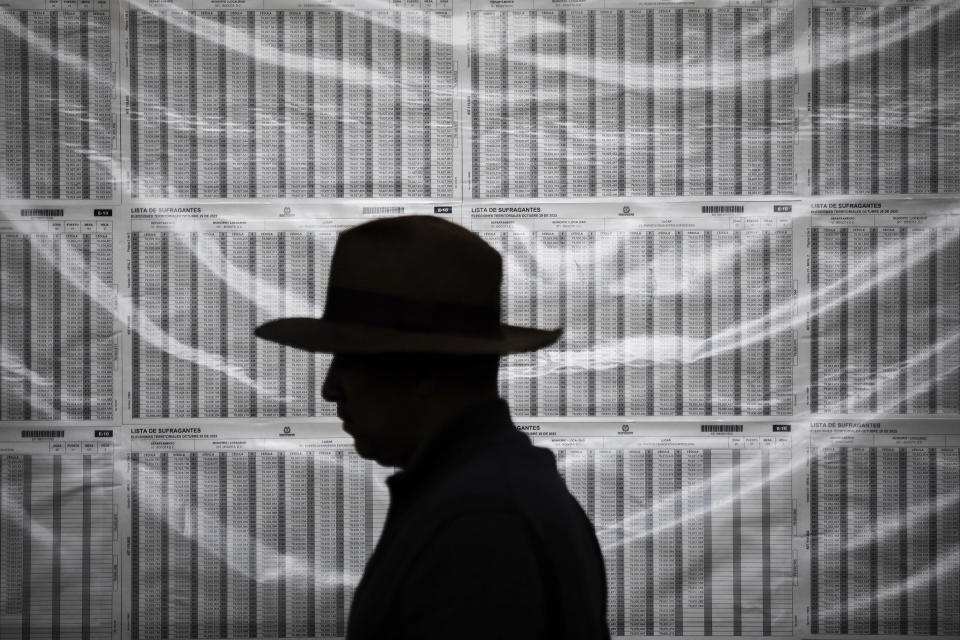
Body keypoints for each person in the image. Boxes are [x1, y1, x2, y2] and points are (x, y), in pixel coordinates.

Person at [255, 215, 610, 639]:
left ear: (423, 370)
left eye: (349, 359)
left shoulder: (481, 525)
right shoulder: (491, 493)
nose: (330, 389)